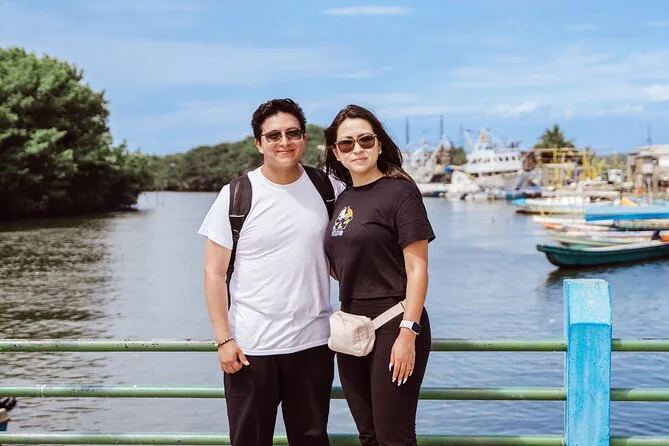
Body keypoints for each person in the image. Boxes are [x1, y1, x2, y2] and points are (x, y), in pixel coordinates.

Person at [198, 98, 343, 446]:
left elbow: (345, 257)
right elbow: (214, 272)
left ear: (304, 138)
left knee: (311, 441)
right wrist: (224, 339)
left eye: (293, 133)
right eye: (273, 135)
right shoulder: (236, 195)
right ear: (258, 143)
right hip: (251, 349)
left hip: (313, 344)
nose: (284, 142)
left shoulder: (328, 189)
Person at [323, 104, 435, 446]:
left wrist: (408, 331)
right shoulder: (342, 200)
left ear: (379, 144)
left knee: (393, 436)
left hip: (395, 321)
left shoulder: (400, 192)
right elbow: (342, 264)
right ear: (336, 152)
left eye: (366, 140)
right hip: (350, 325)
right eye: (347, 143)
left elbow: (417, 268)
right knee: (368, 435)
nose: (357, 149)